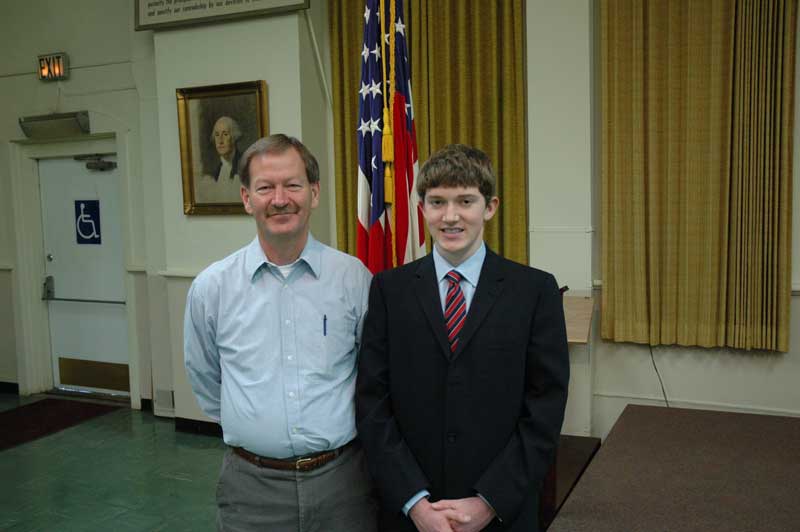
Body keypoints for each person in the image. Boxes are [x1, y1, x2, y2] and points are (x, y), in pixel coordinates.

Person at [356, 144, 569, 532]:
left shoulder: (534, 291)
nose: (450, 217)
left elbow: (545, 408)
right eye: (437, 202)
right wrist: (415, 503)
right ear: (421, 208)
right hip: (410, 514)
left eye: (465, 201)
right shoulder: (390, 289)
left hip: (500, 512)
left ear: (490, 206)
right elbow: (373, 400)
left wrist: (489, 501)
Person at [185, 134, 377, 532]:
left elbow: (371, 374)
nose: (280, 199)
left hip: (342, 484)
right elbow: (206, 379)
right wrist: (256, 426)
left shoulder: (353, 279)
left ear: (314, 192)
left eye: (292, 185)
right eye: (265, 188)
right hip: (251, 488)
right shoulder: (213, 287)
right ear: (246, 198)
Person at [210, 116, 243, 181]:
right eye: (217, 135)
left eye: (225, 134)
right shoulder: (216, 172)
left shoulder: (245, 165)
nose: (220, 141)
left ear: (234, 137)